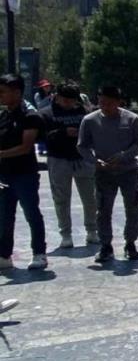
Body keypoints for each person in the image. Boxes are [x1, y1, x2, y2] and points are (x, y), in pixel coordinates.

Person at [77, 86, 138, 264]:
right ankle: (105, 245)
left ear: (118, 102)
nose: (105, 106)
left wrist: (124, 156)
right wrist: (94, 161)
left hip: (128, 171)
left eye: (109, 103)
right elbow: (82, 146)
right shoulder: (90, 120)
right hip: (103, 172)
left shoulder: (131, 119)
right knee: (103, 210)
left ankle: (130, 243)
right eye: (101, 103)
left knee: (132, 208)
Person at [40, 82, 98, 249]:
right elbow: (41, 138)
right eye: (64, 100)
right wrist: (62, 133)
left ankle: (92, 231)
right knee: (61, 198)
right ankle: (66, 234)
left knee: (90, 198)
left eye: (71, 100)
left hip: (83, 158)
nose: (68, 103)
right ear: (57, 97)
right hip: (59, 159)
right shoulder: (46, 114)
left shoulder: (83, 112)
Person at [0, 74, 48, 271]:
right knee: (4, 216)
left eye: (3, 92)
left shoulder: (30, 116)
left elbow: (26, 147)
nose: (0, 96)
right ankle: (4, 256)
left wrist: (1, 154)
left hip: (24, 174)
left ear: (17, 92)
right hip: (3, 176)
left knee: (31, 214)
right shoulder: (3, 116)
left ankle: (39, 253)